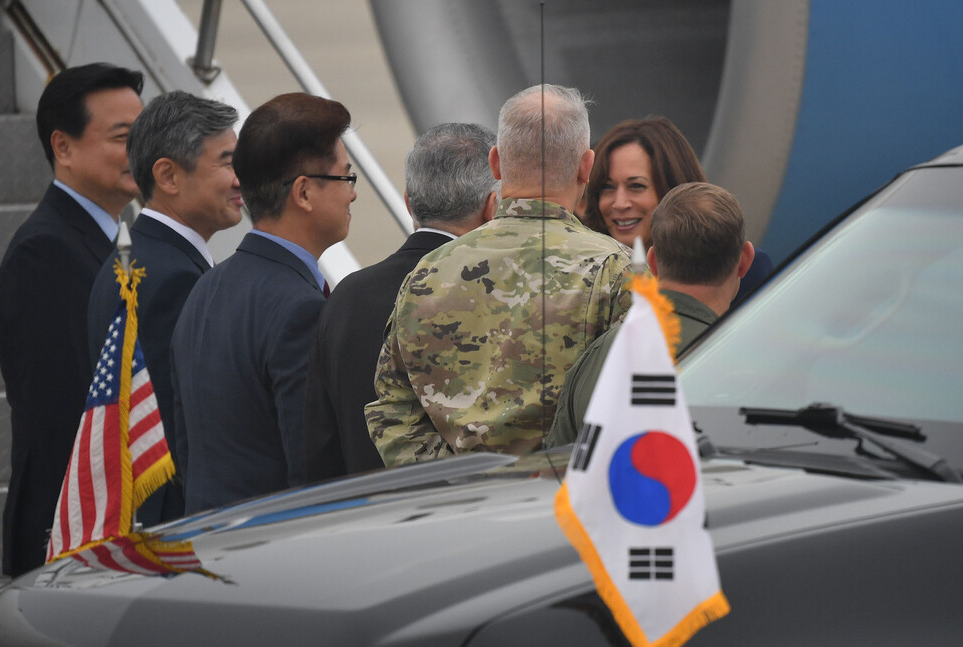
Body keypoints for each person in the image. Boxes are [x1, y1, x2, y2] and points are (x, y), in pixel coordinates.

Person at [366, 84, 634, 467]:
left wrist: (453, 480)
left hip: (457, 510)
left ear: (495, 164)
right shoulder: (617, 271)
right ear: (586, 166)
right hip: (565, 508)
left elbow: (392, 406)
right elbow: (641, 401)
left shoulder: (428, 272)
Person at [170, 93, 354, 514]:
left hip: (212, 545)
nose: (353, 195)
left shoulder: (205, 287)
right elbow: (312, 473)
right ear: (304, 192)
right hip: (276, 557)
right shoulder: (299, 308)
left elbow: (188, 451)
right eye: (347, 178)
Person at [0, 63, 144, 576]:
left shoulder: (112, 237)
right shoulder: (46, 252)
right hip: (72, 538)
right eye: (123, 138)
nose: (139, 153)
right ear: (63, 147)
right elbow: (63, 416)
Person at [302, 123, 499, 478]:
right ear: (492, 207)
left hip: (358, 518)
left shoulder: (346, 297)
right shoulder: (496, 295)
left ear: (408, 202)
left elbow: (317, 448)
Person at [87, 91, 242, 524]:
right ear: (168, 176)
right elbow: (170, 431)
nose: (240, 179)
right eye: (227, 162)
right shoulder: (172, 277)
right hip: (170, 523)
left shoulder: (137, 256)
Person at [547, 182, 755, 446]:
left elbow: (552, 467)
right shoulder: (751, 366)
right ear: (746, 260)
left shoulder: (597, 354)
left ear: (653, 262)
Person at [583, 117, 771, 296]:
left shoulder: (741, 270)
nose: (620, 203)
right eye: (607, 188)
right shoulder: (581, 274)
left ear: (674, 189)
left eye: (636, 186)